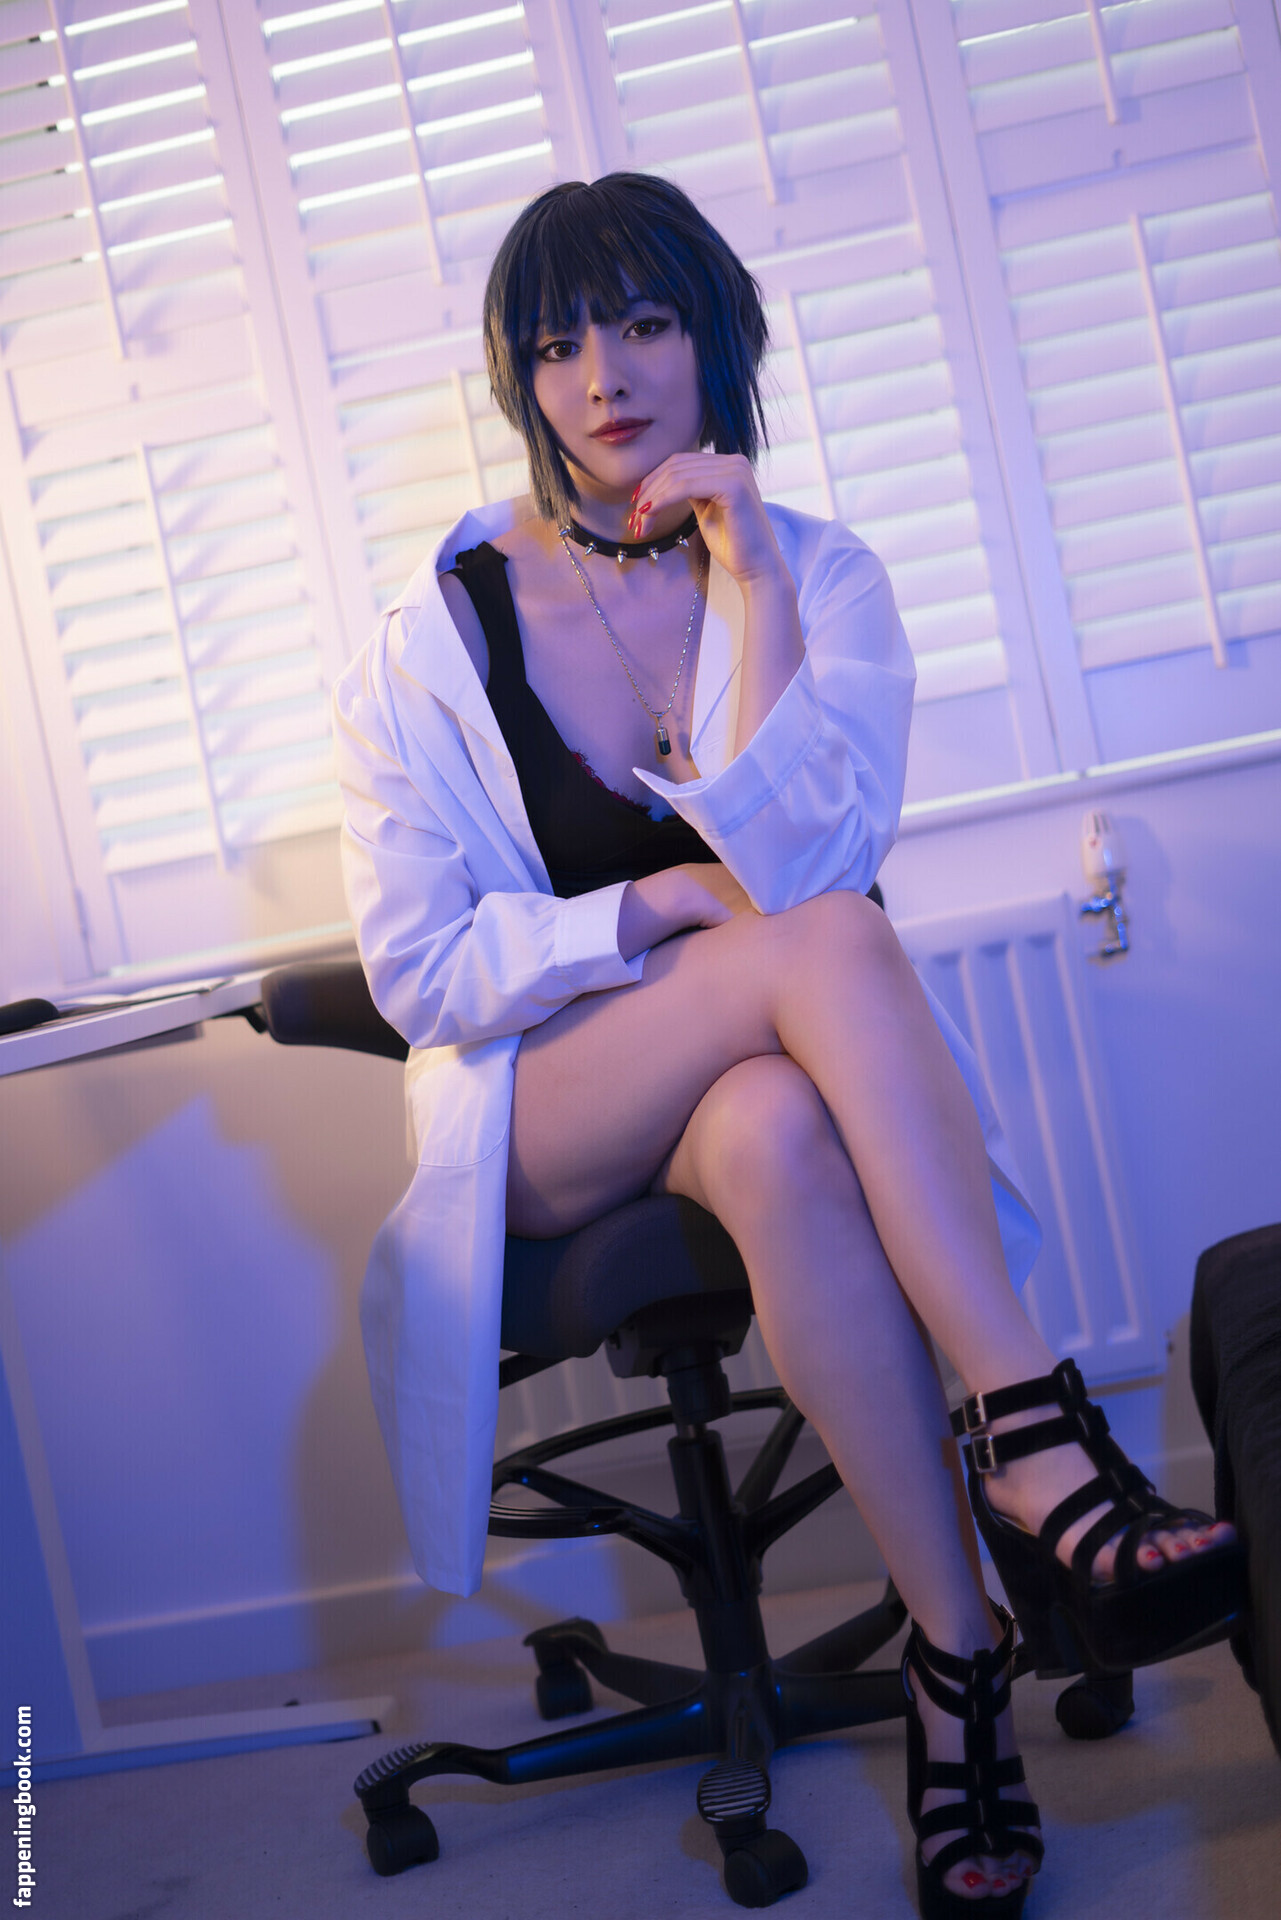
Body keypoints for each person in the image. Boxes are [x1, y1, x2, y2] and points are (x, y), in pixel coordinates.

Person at [333, 173, 1243, 1917]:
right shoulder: (430, 639)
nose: (602, 376)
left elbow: (806, 857)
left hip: (748, 1081)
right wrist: (645, 911)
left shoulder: (823, 578)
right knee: (818, 946)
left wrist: (748, 574)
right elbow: (421, 975)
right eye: (556, 344)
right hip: (554, 1104)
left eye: (642, 324)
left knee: (772, 1124)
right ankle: (1033, 1438)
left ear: (715, 337)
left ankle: (956, 1659)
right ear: (518, 381)